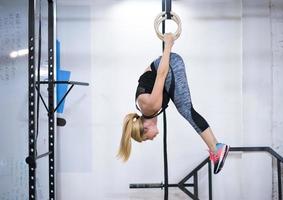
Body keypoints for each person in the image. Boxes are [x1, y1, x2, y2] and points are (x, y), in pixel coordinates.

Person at [118, 33, 229, 174]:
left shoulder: (150, 106)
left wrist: (168, 44)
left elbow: (161, 74)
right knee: (185, 110)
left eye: (147, 138)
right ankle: (216, 147)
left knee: (186, 110)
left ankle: (216, 148)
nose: (151, 139)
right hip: (166, 65)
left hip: (169, 64)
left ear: (146, 128)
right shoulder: (149, 109)